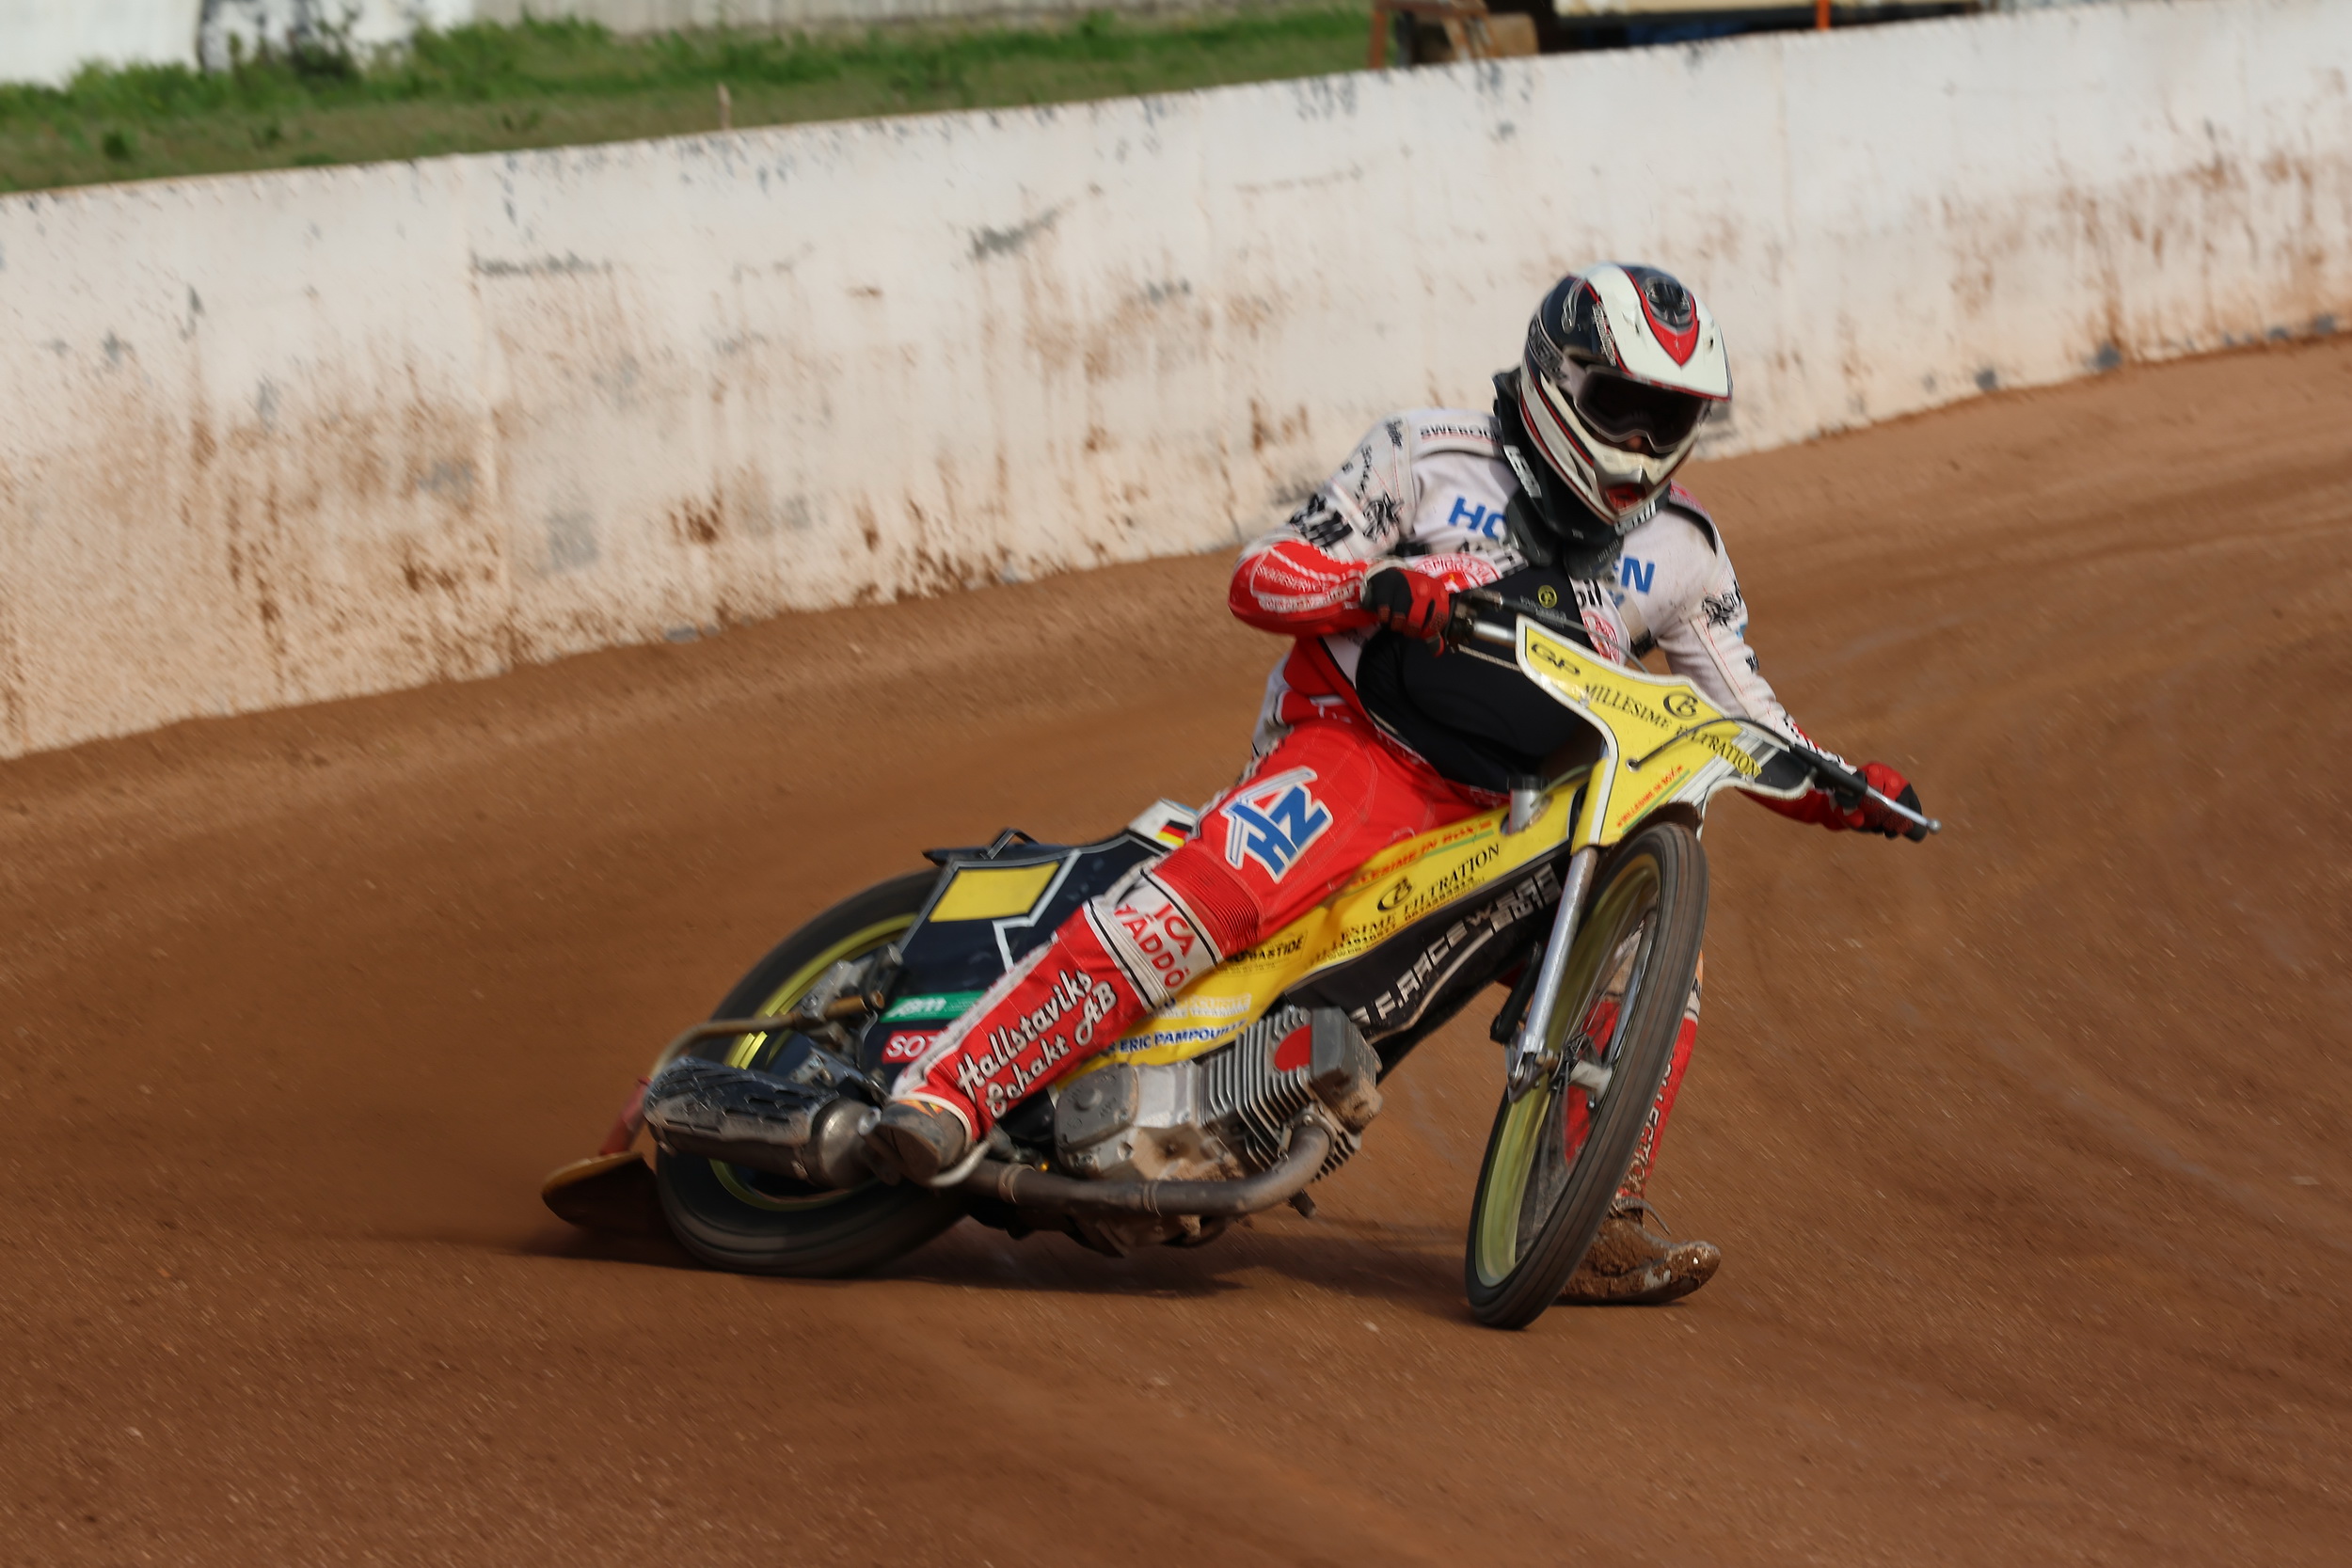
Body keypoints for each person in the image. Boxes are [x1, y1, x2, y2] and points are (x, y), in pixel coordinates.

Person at [867, 264, 1927, 1304]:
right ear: (1556, 377)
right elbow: (1263, 573)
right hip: (1356, 745)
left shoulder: (1686, 549)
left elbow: (1746, 714)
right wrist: (1382, 584)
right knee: (1217, 897)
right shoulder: (1425, 453)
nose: (1644, 442)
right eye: (1622, 405)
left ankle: (1594, 1214)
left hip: (1514, 811)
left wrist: (1843, 786)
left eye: (1672, 416)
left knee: (1654, 957)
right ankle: (953, 1089)